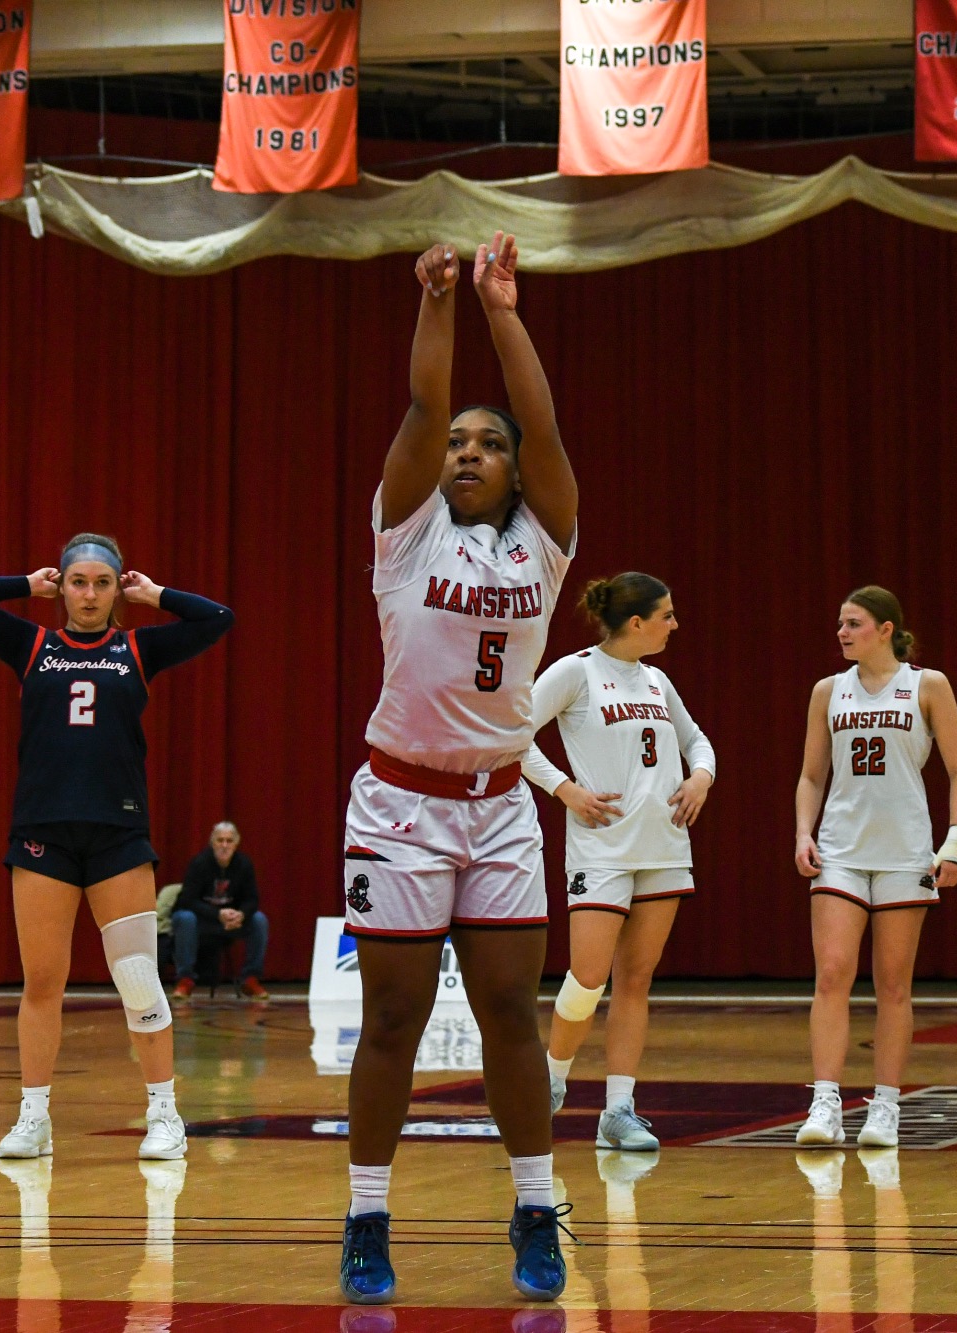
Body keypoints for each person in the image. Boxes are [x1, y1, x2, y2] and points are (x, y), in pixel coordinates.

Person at [337, 233, 578, 1306]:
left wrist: (502, 311)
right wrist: (437, 302)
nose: (467, 451)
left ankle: (533, 1205)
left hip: (501, 807)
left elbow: (546, 426)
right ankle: (365, 1217)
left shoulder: (547, 539)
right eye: (457, 444)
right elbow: (422, 407)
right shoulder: (406, 531)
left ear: (516, 469)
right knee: (391, 1018)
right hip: (400, 801)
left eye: (489, 444)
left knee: (511, 1014)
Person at [0, 534, 233, 1162]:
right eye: (79, 582)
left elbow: (217, 619)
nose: (90, 594)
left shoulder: (138, 649)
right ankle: (34, 1118)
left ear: (117, 588)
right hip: (43, 834)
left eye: (103, 583)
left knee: (138, 979)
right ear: (63, 587)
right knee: (43, 983)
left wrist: (156, 596)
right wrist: (24, 586)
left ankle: (165, 1115)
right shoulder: (32, 646)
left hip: (117, 836)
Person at [524, 572, 716, 1153]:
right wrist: (565, 789)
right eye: (667, 615)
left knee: (636, 979)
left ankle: (618, 1111)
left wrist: (701, 777)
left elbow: (697, 741)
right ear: (636, 623)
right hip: (602, 847)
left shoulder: (657, 680)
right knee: (588, 977)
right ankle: (550, 1080)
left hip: (663, 845)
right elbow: (513, 734)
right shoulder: (575, 671)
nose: (675, 625)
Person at [792, 587, 957, 1149]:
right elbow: (812, 775)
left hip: (904, 852)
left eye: (853, 623)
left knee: (893, 984)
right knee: (832, 973)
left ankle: (886, 1107)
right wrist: (803, 833)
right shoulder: (828, 691)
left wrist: (955, 841)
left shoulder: (928, 685)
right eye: (840, 623)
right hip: (840, 851)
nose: (842, 633)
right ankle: (825, 1103)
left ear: (886, 629)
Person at [171, 821, 269, 1000]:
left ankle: (250, 978)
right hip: (202, 920)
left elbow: (252, 899)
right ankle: (185, 979)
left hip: (232, 922)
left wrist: (241, 915)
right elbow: (187, 900)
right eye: (220, 840)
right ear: (212, 842)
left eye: (229, 841)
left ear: (236, 843)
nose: (224, 845)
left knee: (259, 920)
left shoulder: (244, 864)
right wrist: (217, 914)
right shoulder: (199, 863)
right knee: (185, 918)